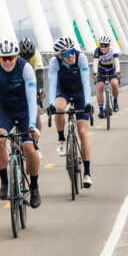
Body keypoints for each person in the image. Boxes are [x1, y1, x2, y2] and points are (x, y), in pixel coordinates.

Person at [0, 37, 41, 208]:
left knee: (29, 148)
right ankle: (5, 182)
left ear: (17, 56)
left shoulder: (26, 68)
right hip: (5, 111)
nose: (7, 62)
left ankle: (35, 187)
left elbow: (32, 99)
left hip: (24, 111)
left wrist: (32, 124)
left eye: (11, 58)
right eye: (3, 58)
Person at [48, 34, 93, 188]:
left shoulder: (80, 58)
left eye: (72, 50)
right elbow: (52, 84)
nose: (71, 55)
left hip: (80, 92)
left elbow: (86, 82)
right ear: (60, 55)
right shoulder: (55, 62)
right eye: (67, 53)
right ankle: (61, 139)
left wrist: (88, 102)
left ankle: (87, 173)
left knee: (82, 132)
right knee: (59, 108)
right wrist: (50, 104)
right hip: (64, 91)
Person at [19, 37, 45, 126]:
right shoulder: (15, 57)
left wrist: (40, 91)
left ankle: (37, 139)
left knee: (37, 110)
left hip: (33, 84)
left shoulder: (36, 55)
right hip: (20, 83)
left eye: (28, 58)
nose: (26, 60)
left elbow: (40, 74)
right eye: (23, 58)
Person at [92, 35, 120, 116]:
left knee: (114, 83)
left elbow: (117, 62)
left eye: (105, 46)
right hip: (101, 70)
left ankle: (115, 102)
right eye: (101, 46)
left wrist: (117, 71)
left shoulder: (112, 51)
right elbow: (95, 63)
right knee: (100, 87)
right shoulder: (97, 51)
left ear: (109, 46)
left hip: (112, 70)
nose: (103, 48)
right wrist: (95, 72)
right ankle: (101, 110)